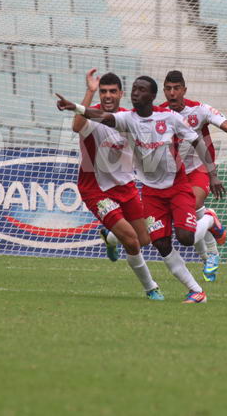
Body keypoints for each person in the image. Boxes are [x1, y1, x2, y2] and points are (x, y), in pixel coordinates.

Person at [57, 76, 224, 304]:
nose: (136, 93)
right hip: (134, 192)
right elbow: (95, 118)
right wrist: (75, 106)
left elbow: (196, 140)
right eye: (134, 89)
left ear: (149, 96)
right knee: (155, 243)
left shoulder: (166, 118)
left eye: (140, 90)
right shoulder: (124, 118)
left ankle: (209, 219)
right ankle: (185, 290)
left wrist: (212, 174)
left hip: (168, 187)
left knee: (179, 238)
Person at [161, 70, 227, 282]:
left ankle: (210, 221)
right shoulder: (159, 112)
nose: (172, 93)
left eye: (176, 89)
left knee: (188, 208)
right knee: (186, 221)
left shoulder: (200, 110)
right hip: (174, 174)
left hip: (200, 169)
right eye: (168, 89)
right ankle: (210, 255)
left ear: (184, 90)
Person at [71, 69, 163, 300]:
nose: (107, 95)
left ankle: (111, 237)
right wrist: (89, 92)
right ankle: (151, 287)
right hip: (96, 189)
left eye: (112, 91)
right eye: (103, 91)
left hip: (126, 186)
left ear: (121, 93)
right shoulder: (93, 117)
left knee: (145, 240)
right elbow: (76, 126)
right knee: (132, 241)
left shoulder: (128, 118)